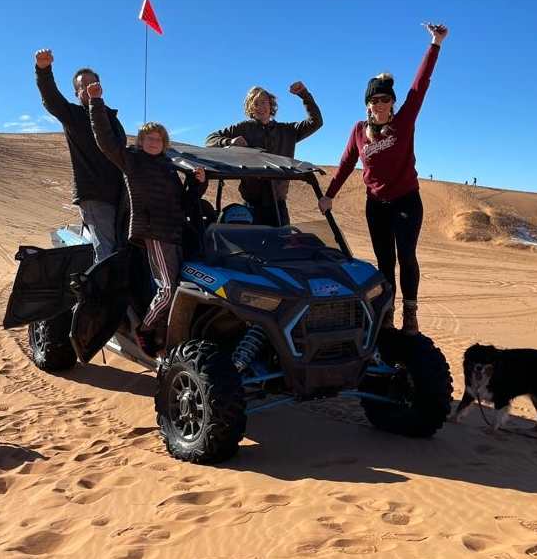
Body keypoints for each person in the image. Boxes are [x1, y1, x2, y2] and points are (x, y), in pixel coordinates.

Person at [319, 23, 449, 335]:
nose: (378, 105)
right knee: (384, 262)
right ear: (367, 104)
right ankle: (387, 313)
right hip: (376, 204)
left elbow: (420, 85)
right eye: (373, 101)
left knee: (406, 256)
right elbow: (346, 162)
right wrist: (330, 194)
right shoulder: (357, 131)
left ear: (391, 102)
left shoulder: (404, 121)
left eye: (384, 100)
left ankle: (411, 314)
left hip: (406, 200)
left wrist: (435, 43)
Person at [87, 81, 206, 357]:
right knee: (168, 289)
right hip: (153, 232)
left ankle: (164, 337)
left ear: (164, 143)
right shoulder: (132, 160)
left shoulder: (168, 167)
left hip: (175, 231)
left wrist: (198, 184)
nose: (154, 142)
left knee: (175, 289)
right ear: (141, 142)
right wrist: (96, 103)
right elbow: (104, 140)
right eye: (149, 139)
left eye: (158, 139)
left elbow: (186, 202)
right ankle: (144, 328)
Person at [34, 49, 127, 262]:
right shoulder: (74, 117)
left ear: (101, 87)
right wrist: (43, 70)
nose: (88, 89)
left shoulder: (111, 118)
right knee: (107, 250)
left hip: (121, 195)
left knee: (123, 245)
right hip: (95, 195)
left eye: (92, 84)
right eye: (82, 87)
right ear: (77, 94)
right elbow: (51, 98)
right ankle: (102, 294)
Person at [205, 82, 323, 226]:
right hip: (251, 206)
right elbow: (210, 139)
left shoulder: (286, 131)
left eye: (264, 102)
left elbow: (316, 122)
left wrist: (304, 95)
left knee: (282, 245)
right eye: (256, 103)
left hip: (278, 206)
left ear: (271, 104)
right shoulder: (243, 128)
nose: (261, 107)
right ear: (250, 107)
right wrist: (229, 142)